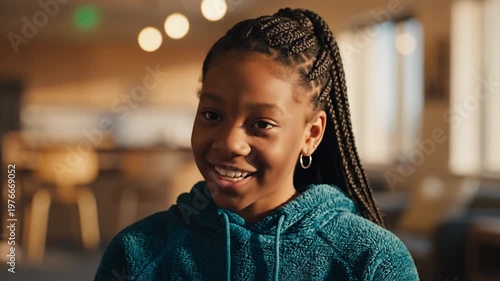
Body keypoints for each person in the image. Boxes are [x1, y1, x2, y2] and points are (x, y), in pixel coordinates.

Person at [94, 8, 419, 281]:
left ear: (312, 134)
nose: (229, 143)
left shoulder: (373, 261)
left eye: (261, 124)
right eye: (212, 114)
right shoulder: (138, 252)